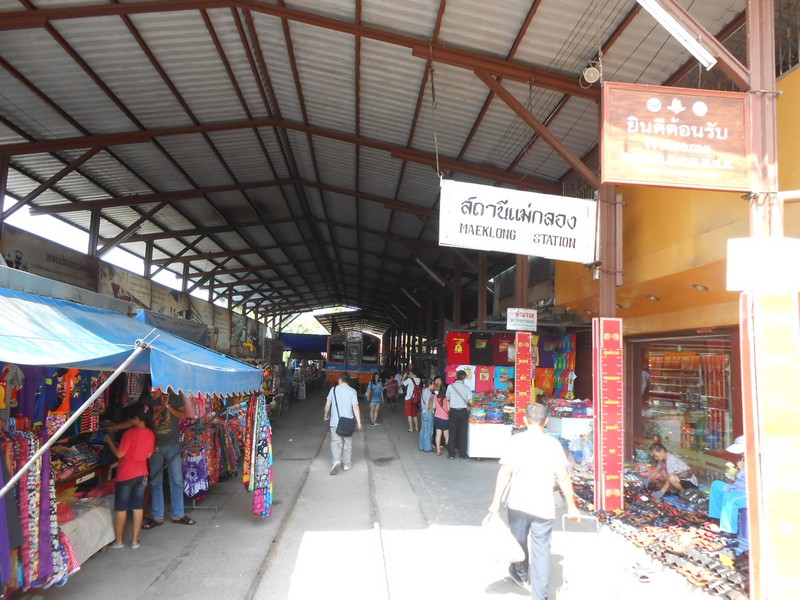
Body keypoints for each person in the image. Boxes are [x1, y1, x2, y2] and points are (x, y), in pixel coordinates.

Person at [488, 403, 581, 596]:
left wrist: (496, 501)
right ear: (546, 422)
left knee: (519, 542)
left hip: (517, 503)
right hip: (543, 506)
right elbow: (563, 478)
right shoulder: (553, 445)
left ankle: (521, 574)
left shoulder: (516, 441)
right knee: (542, 553)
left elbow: (505, 472)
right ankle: (540, 595)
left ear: (524, 420)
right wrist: (572, 507)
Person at [103, 403, 155, 549]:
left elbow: (120, 454)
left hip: (126, 473)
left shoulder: (129, 433)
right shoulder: (151, 433)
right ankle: (135, 541)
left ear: (137, 418)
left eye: (131, 419)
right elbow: (149, 455)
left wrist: (109, 442)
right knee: (138, 506)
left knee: (121, 508)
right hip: (142, 473)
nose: (130, 421)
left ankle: (118, 541)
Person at [144, 387, 195, 528]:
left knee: (177, 480)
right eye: (150, 390)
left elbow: (183, 415)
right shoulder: (147, 399)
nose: (151, 393)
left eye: (154, 390)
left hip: (172, 445)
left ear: (161, 387)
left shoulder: (174, 395)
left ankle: (178, 514)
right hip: (155, 447)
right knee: (155, 481)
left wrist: (167, 406)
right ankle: (157, 516)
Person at [324, 372, 362, 475]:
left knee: (336, 443)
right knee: (347, 444)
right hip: (348, 423)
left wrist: (325, 415)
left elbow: (327, 405)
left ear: (340, 379)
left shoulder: (333, 390)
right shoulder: (353, 391)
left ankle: (336, 461)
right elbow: (355, 407)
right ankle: (346, 465)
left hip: (335, 422)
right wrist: (359, 422)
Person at [708, 435, 747, 534]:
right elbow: (739, 481)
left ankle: (728, 531)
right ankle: (716, 518)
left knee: (730, 497)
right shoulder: (743, 459)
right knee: (716, 485)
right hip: (738, 488)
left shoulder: (756, 461)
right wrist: (735, 473)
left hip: (748, 493)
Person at [445, 369, 472, 459]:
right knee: (463, 433)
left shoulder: (450, 387)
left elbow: (447, 399)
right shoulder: (467, 388)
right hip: (463, 412)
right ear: (464, 378)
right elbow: (470, 402)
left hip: (453, 411)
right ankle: (462, 454)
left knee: (452, 433)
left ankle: (451, 454)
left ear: (456, 376)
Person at [433, 376, 449, 456]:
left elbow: (434, 407)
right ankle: (449, 451)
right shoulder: (447, 398)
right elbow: (448, 409)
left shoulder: (436, 396)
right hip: (445, 418)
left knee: (438, 434)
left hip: (437, 417)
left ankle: (438, 450)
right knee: (446, 435)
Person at [419, 379, 435, 452]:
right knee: (428, 430)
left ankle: (422, 446)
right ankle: (427, 447)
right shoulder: (428, 392)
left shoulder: (424, 391)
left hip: (423, 413)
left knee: (423, 430)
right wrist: (429, 410)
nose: (434, 385)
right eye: (433, 384)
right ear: (430, 384)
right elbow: (427, 402)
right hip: (427, 413)